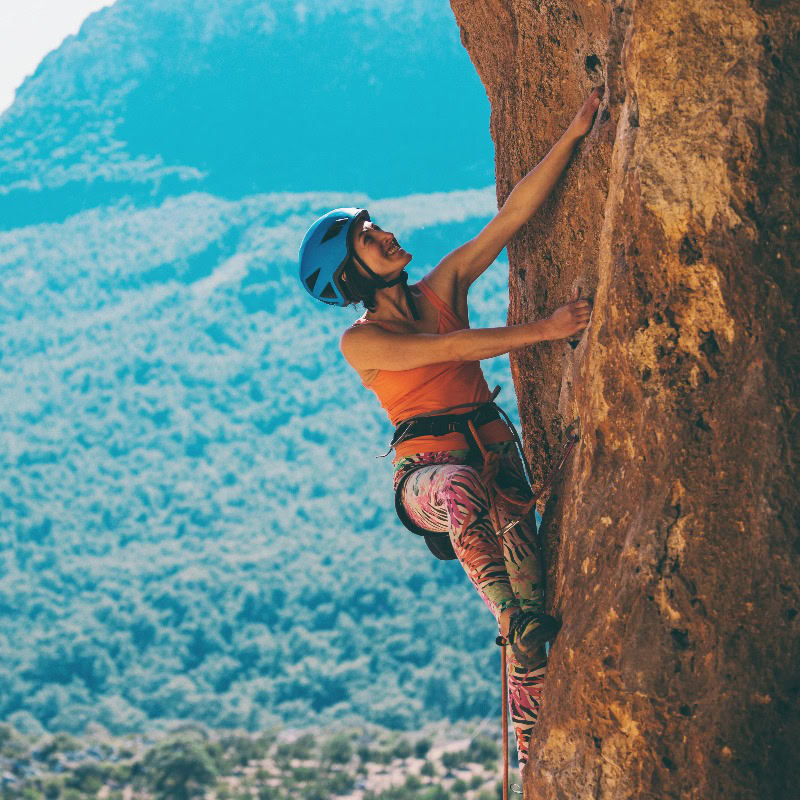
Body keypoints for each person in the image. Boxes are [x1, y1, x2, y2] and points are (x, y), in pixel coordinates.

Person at [298, 87, 602, 772]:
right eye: (370, 241)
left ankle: (530, 755)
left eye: (378, 228)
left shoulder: (443, 288)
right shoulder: (360, 341)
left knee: (539, 611)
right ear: (351, 274)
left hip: (500, 471)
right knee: (467, 501)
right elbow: (448, 352)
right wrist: (546, 331)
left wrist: (575, 134)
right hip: (430, 483)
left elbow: (513, 216)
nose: (387, 236)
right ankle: (506, 615)